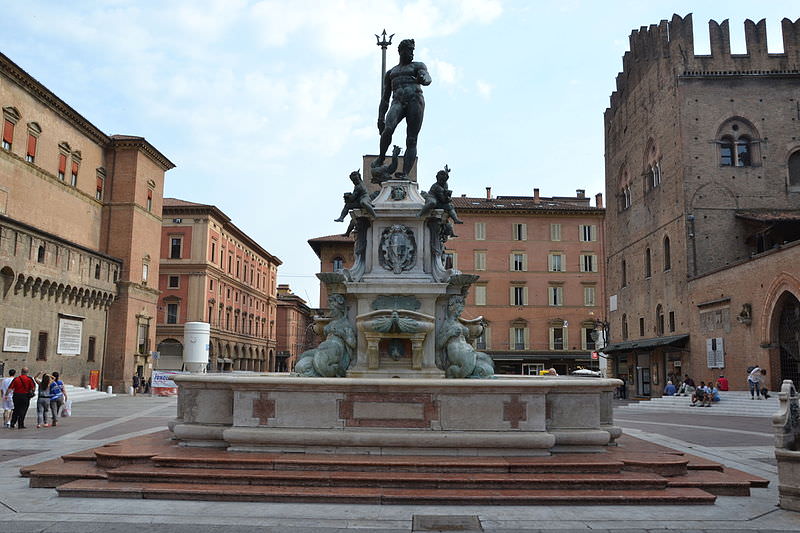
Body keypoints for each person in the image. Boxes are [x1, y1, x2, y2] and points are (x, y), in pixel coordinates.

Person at [374, 38, 432, 178]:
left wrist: (423, 79)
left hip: (415, 100)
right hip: (397, 101)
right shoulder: (391, 73)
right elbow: (385, 98)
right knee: (388, 128)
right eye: (409, 50)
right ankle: (381, 157)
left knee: (412, 139)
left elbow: (427, 77)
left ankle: (405, 173)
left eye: (413, 50)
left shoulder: (418, 66)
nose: (411, 53)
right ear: (401, 51)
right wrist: (380, 116)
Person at [435, 295, 494, 378]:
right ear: (451, 309)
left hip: (468, 351)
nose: (460, 313)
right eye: (458, 310)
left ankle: (478, 374)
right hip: (457, 354)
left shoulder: (459, 323)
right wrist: (450, 333)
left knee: (487, 359)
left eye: (461, 311)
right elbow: (438, 345)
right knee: (468, 367)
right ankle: (458, 373)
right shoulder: (447, 324)